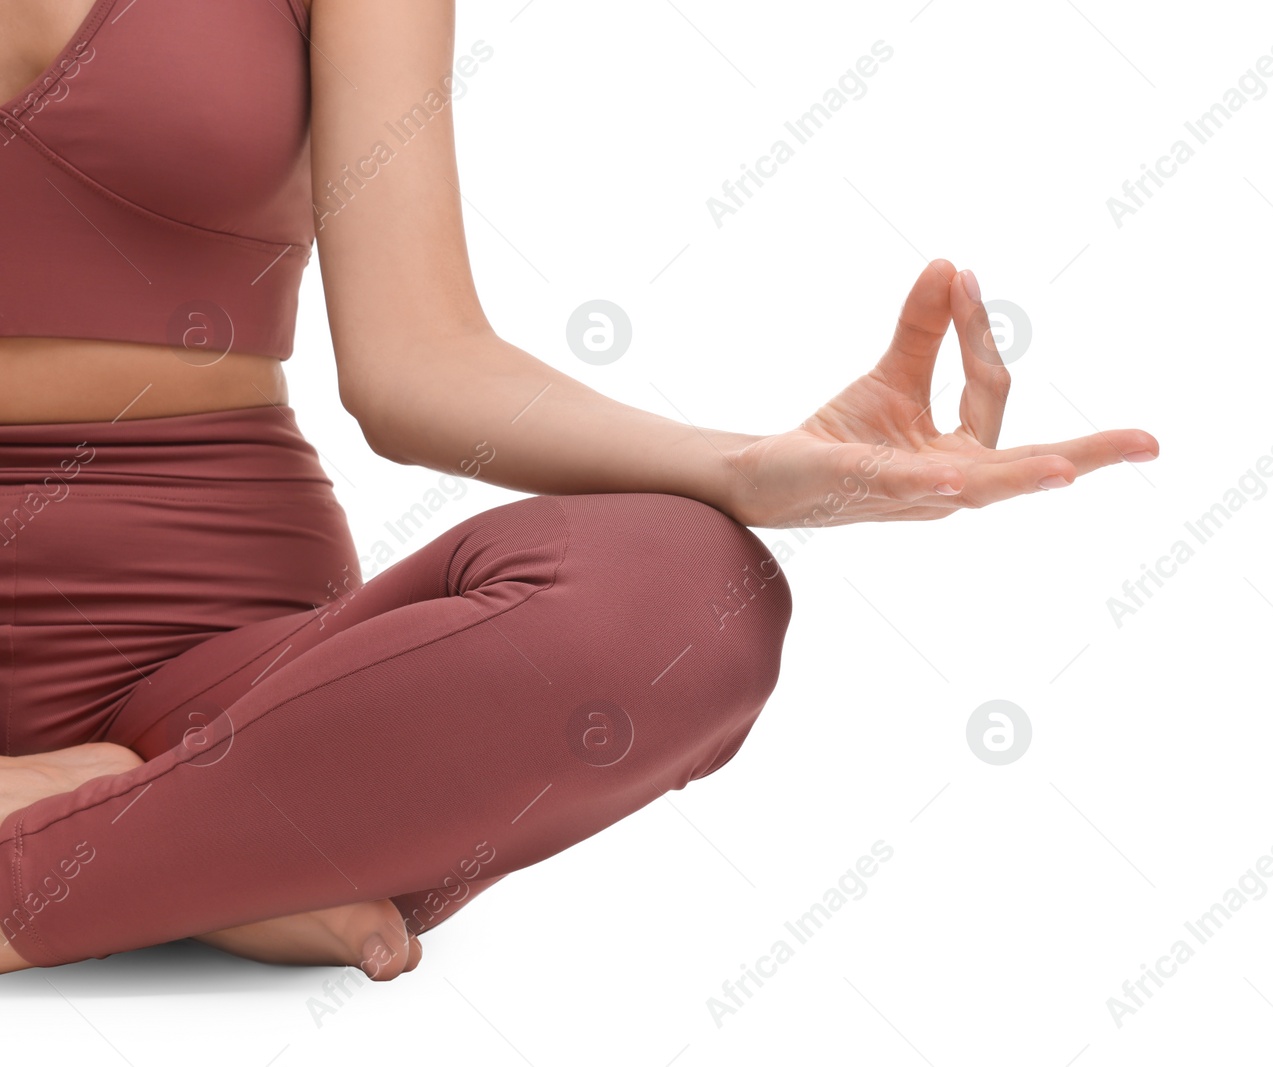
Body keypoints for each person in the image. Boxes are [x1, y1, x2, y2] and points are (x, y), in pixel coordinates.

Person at [0, 0, 1158, 979]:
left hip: (229, 666)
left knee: (677, 593)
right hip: (236, 747)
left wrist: (749, 470)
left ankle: (120, 835)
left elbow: (416, 362)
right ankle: (198, 849)